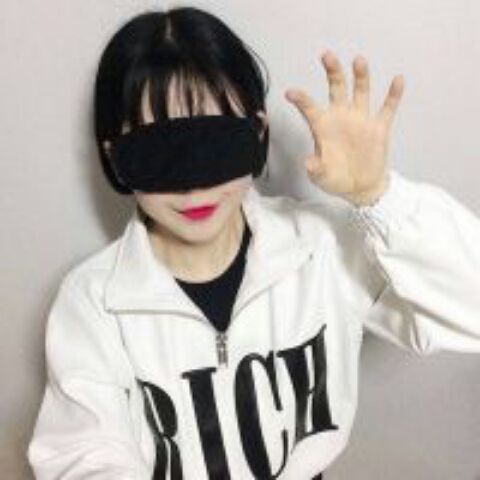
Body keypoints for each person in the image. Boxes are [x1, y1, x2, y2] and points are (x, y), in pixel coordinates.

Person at [27, 6, 480, 480]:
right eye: (158, 152)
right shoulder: (93, 302)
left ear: (257, 131)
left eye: (215, 144)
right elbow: (83, 458)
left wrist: (377, 196)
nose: (193, 186)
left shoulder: (324, 248)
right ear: (114, 156)